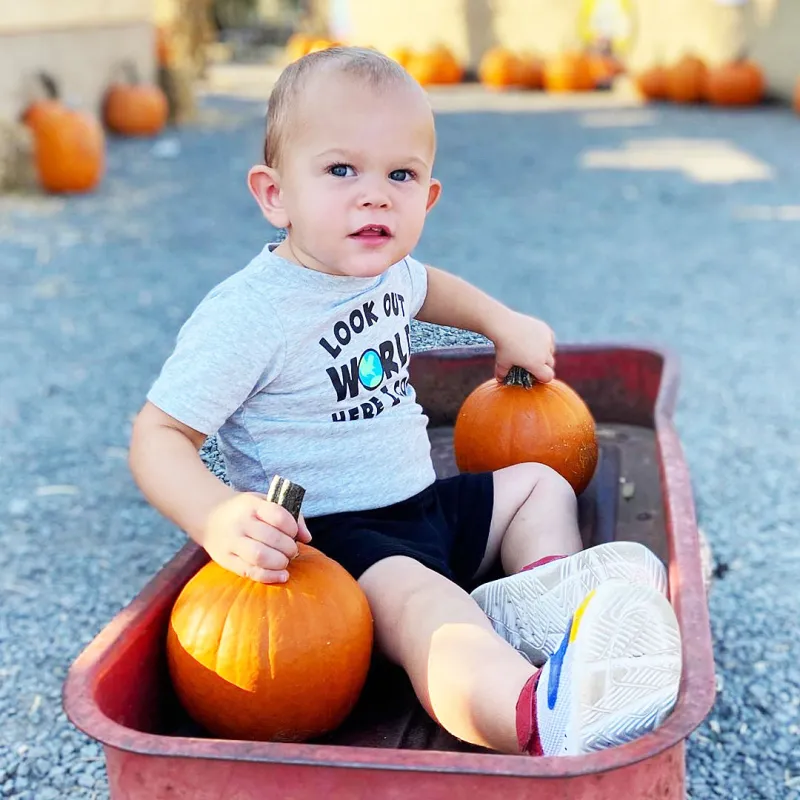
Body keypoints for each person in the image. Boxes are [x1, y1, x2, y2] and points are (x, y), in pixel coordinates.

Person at [128, 46, 681, 757]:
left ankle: (539, 602)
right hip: (335, 548)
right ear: (275, 195)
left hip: (422, 509)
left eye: (400, 175)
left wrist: (501, 323)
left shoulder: (385, 269)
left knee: (538, 486)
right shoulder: (249, 314)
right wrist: (214, 515)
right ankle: (537, 715)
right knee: (431, 612)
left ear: (428, 196)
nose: (374, 195)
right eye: (339, 170)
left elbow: (431, 287)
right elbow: (158, 434)